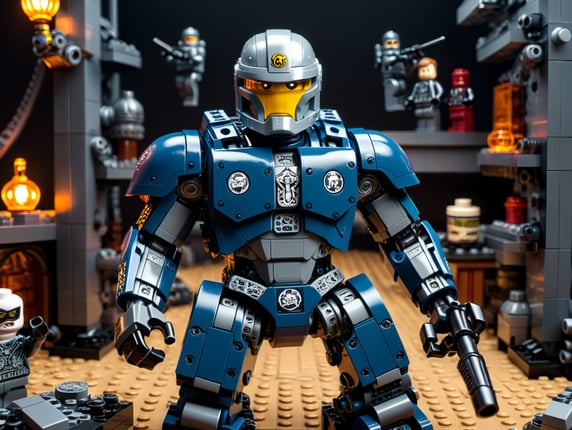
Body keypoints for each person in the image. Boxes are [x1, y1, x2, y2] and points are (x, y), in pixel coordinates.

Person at [115, 29, 497, 429]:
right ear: (244, 87)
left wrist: (440, 298)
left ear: (312, 84)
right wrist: (139, 301)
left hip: (326, 291)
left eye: (292, 89)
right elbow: (155, 241)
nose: (279, 105)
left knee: (386, 393)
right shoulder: (199, 155)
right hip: (244, 294)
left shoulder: (356, 151)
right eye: (265, 89)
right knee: (204, 406)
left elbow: (405, 235)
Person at [0, 288, 48, 407]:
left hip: (17, 381)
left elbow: (33, 347)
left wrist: (39, 337)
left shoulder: (20, 341)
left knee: (17, 408)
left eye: (12, 314)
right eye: (1, 315)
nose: (8, 321)